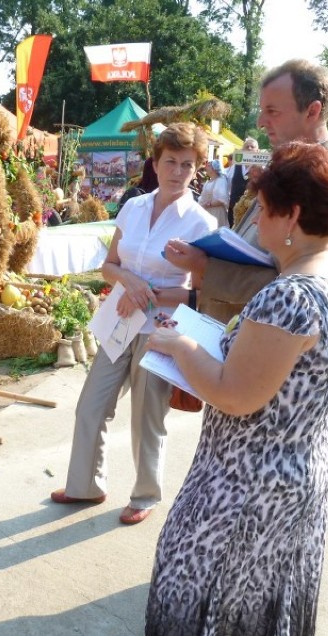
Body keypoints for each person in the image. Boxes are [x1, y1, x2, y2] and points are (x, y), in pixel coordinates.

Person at [145, 142, 328, 636]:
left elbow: (236, 394)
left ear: (293, 217)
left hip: (244, 489)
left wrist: (179, 345)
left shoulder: (289, 296)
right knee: (262, 611)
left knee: (206, 605)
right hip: (289, 477)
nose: (256, 221)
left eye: (264, 210)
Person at [50, 123, 217, 526]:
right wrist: (131, 281)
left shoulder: (201, 224)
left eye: (187, 165)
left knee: (147, 417)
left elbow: (202, 295)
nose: (178, 171)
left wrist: (152, 293)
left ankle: (145, 495)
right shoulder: (133, 207)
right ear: (155, 163)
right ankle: (85, 484)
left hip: (160, 331)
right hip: (120, 320)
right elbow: (109, 266)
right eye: (171, 161)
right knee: (91, 405)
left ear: (197, 170)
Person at [164, 59, 328, 324]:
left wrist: (204, 267)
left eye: (272, 111)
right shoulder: (295, 168)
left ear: (312, 112)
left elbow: (299, 289)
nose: (260, 121)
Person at [225, 137, 259, 226]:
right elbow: (228, 183)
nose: (250, 148)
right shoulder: (236, 165)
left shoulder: (260, 169)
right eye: (247, 146)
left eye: (252, 147)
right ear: (242, 150)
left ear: (257, 150)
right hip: (234, 208)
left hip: (250, 211)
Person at [198, 158, 229, 228]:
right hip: (207, 211)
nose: (206, 167)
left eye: (208, 165)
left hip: (216, 212)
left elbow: (222, 199)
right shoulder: (209, 181)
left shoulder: (221, 180)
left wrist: (208, 204)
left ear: (214, 168)